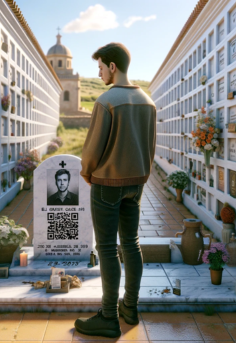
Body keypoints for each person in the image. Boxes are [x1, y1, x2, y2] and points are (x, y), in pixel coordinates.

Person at [75, 42, 156, 338]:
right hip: (136, 184)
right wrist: (141, 177)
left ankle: (108, 317)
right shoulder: (147, 101)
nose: (98, 74)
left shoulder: (107, 101)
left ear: (113, 66)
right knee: (131, 244)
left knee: (107, 248)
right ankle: (130, 308)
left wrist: (87, 172)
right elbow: (150, 145)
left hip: (107, 184)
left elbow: (92, 149)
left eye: (100, 68)